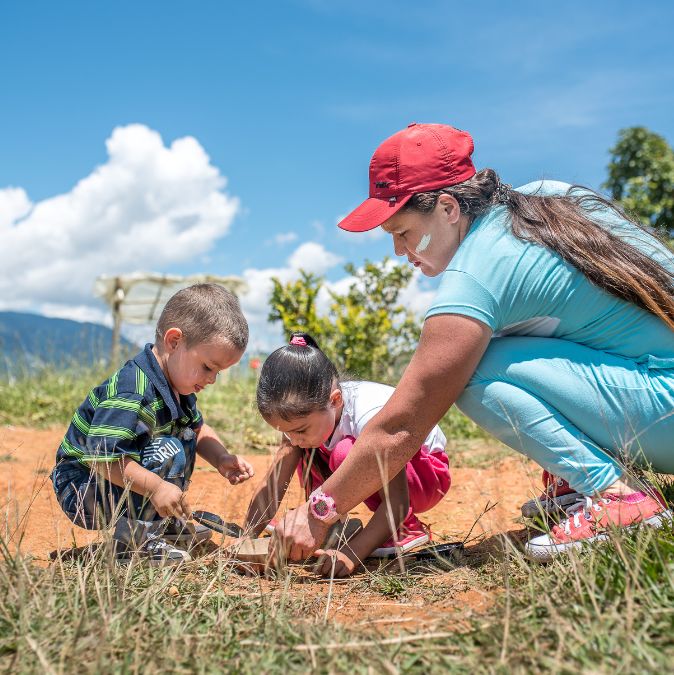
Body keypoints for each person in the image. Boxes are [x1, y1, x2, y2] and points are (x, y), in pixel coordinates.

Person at [270, 122, 674, 564]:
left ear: (447, 208)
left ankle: (614, 494)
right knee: (500, 339)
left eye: (401, 232)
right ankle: (580, 481)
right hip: (654, 391)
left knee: (469, 368)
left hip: (663, 408)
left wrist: (319, 511)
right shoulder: (545, 199)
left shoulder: (477, 275)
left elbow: (402, 425)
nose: (400, 252)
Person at [51, 283, 255, 565]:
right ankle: (133, 544)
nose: (212, 379)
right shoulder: (132, 390)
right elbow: (101, 458)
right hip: (82, 486)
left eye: (218, 372)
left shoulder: (178, 387)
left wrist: (221, 457)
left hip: (113, 478)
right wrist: (158, 488)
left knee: (181, 435)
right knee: (167, 448)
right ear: (174, 341)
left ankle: (160, 524)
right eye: (209, 367)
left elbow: (198, 430)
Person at [244, 332, 450, 577]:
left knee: (345, 452)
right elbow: (274, 484)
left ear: (336, 400)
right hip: (377, 467)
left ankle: (406, 529)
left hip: (423, 474)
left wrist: (352, 553)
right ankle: (331, 526)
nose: (293, 437)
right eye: (285, 432)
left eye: (299, 429)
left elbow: (398, 502)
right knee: (302, 449)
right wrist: (245, 538)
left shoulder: (367, 414)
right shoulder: (304, 422)